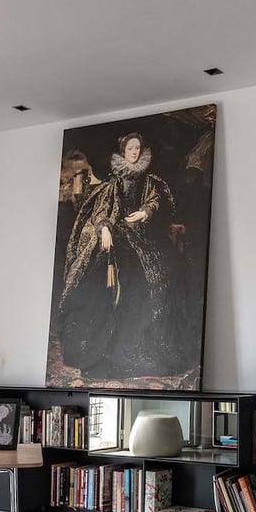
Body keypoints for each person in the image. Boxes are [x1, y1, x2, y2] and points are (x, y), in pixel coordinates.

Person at [57, 132, 191, 379]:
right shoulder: (113, 183)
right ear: (123, 151)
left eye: (138, 148)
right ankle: (101, 346)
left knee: (154, 273)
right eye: (130, 148)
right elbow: (102, 210)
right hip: (116, 236)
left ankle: (136, 345)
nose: (134, 152)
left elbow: (155, 201)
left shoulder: (149, 180)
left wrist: (144, 213)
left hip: (142, 236)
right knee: (102, 274)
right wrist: (104, 227)